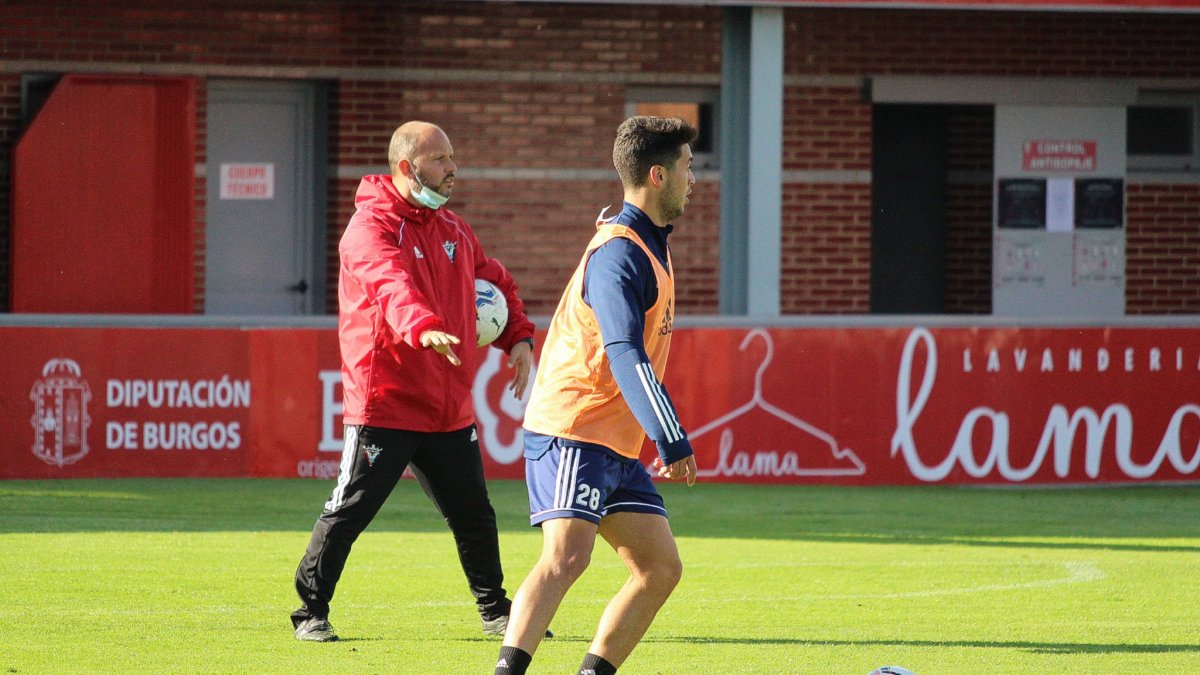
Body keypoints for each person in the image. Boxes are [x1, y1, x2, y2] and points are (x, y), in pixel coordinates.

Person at [291, 121, 537, 642]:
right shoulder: (369, 229)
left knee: (474, 513)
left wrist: (518, 336)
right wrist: (423, 327)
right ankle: (310, 612)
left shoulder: (453, 229)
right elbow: (390, 284)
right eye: (442, 159)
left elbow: (494, 280)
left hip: (448, 405)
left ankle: (496, 611)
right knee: (351, 509)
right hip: (387, 401)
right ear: (407, 168)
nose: (453, 169)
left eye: (452, 157)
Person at [494, 116, 700, 675]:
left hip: (611, 440)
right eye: (687, 167)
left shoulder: (649, 243)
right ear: (657, 176)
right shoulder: (619, 253)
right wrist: (671, 437)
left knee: (660, 568)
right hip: (573, 429)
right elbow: (623, 353)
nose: (694, 180)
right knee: (566, 558)